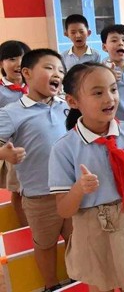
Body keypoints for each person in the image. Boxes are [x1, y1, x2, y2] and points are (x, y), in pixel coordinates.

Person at [49, 62, 124, 292]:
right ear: (73, 101)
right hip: (95, 228)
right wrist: (79, 189)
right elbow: (64, 210)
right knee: (100, 283)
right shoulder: (64, 148)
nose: (109, 98)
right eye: (97, 92)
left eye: (113, 89)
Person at [0, 49, 71, 292]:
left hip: (71, 191)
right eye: (50, 68)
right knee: (45, 244)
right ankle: (51, 285)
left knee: (77, 240)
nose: (58, 74)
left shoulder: (66, 106)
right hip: (39, 196)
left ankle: (76, 279)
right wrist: (5, 154)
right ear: (27, 73)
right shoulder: (11, 112)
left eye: (61, 70)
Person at [0, 40, 31, 227]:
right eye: (12, 59)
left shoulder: (35, 86)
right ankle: (25, 228)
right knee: (19, 192)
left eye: (23, 58)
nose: (18, 63)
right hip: (14, 149)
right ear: (1, 63)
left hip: (36, 146)